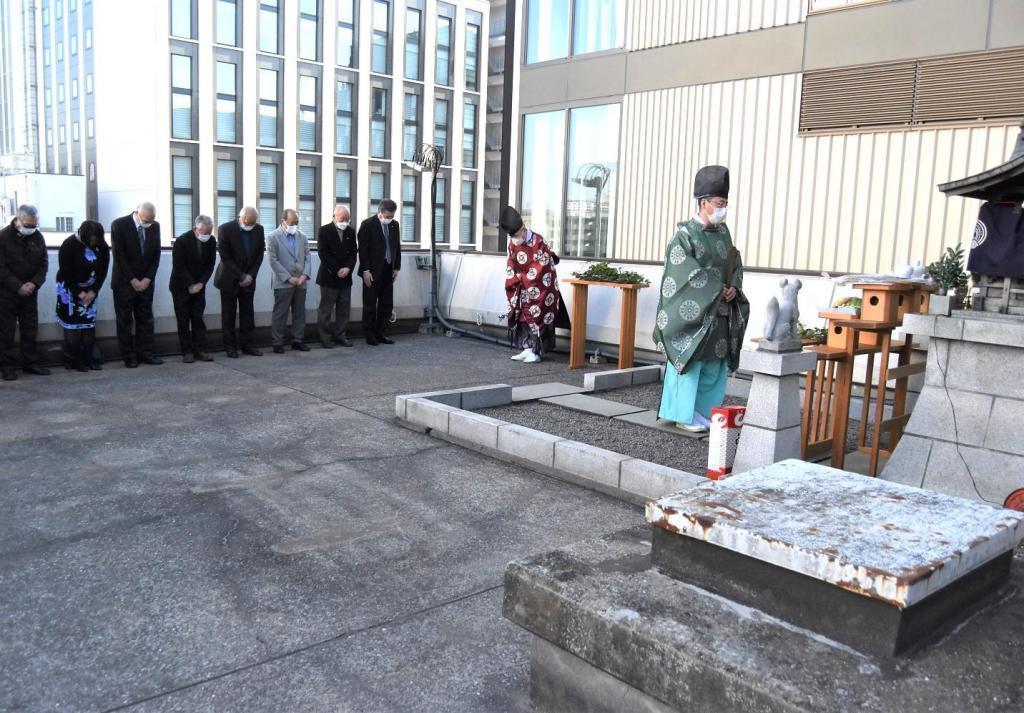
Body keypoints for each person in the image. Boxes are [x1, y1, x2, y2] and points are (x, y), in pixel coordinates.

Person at [652, 165, 749, 433]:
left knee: (714, 365)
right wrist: (718, 289)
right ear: (703, 203)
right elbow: (682, 272)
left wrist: (734, 289)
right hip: (694, 315)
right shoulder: (684, 236)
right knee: (691, 361)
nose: (723, 209)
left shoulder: (723, 233)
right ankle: (682, 413)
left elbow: (734, 262)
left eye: (726, 204)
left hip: (720, 311)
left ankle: (704, 412)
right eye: (719, 203)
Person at [501, 206, 570, 364]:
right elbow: (511, 264)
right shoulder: (512, 244)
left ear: (523, 229)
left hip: (539, 287)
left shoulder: (539, 241)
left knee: (535, 315)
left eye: (517, 235)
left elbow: (543, 266)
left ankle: (536, 350)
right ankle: (527, 346)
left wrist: (525, 277)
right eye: (512, 236)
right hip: (521, 285)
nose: (515, 239)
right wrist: (516, 278)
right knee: (523, 315)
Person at [0, 204, 50, 381]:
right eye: (28, 225)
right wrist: (18, 286)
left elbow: (44, 264)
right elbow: (1, 268)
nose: (31, 228)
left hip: (30, 292)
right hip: (7, 293)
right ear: (18, 220)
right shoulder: (3, 237)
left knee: (30, 328)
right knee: (6, 331)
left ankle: (30, 363)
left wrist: (33, 284)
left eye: (34, 225)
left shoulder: (37, 237)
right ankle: (7, 366)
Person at [110, 202, 163, 368]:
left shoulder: (154, 226)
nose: (149, 224)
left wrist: (148, 278)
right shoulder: (119, 225)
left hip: (146, 282)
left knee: (146, 319)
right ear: (138, 214)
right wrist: (132, 279)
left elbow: (156, 254)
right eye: (146, 220)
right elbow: (119, 256)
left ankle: (146, 353)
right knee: (125, 320)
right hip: (124, 282)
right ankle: (128, 355)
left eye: (151, 221)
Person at [55, 220, 109, 371]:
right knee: (72, 325)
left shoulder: (102, 245)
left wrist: (93, 291)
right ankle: (75, 359)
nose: (93, 242)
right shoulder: (69, 245)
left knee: (88, 324)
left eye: (96, 239)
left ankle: (89, 357)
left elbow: (103, 271)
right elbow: (66, 272)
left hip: (91, 289)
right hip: (69, 289)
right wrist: (79, 293)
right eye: (91, 239)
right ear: (82, 234)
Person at [215, 207, 265, 358]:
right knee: (228, 315)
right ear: (240, 218)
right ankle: (230, 347)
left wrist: (251, 275)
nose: (250, 226)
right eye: (248, 223)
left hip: (249, 279)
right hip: (229, 279)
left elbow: (259, 255)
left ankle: (248, 345)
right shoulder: (225, 229)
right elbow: (225, 256)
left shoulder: (259, 229)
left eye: (253, 223)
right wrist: (241, 276)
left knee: (247, 314)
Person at [169, 215, 217, 363]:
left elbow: (210, 264)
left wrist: (201, 283)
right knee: (183, 319)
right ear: (195, 229)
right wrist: (191, 284)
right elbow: (179, 266)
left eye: (209, 232)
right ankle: (187, 351)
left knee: (198, 319)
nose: (206, 236)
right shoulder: (182, 241)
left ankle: (200, 349)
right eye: (204, 232)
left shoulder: (211, 241)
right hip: (181, 286)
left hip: (199, 286)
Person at [357, 199, 401, 346]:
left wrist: (396, 267)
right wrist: (365, 270)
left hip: (388, 269)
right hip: (372, 271)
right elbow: (363, 250)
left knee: (386, 304)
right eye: (387, 216)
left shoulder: (394, 225)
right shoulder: (368, 224)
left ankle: (381, 333)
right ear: (380, 212)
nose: (389, 219)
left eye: (391, 216)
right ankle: (369, 335)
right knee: (370, 304)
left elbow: (397, 247)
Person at [267, 209, 312, 353]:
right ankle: (277, 342)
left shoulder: (302, 237)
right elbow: (273, 261)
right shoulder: (273, 237)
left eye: (297, 222)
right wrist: (288, 277)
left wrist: (304, 275)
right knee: (280, 313)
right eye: (292, 223)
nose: (295, 225)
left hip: (301, 281)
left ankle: (298, 340)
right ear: (283, 221)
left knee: (300, 312)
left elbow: (308, 258)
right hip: (283, 282)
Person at [316, 204, 358, 348]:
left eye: (347, 219)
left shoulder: (351, 232)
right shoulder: (324, 230)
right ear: (333, 217)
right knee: (326, 310)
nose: (344, 222)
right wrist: (337, 269)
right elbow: (323, 253)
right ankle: (325, 338)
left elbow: (353, 253)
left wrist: (348, 268)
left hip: (346, 277)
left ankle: (341, 335)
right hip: (329, 276)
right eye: (341, 219)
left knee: (344, 309)